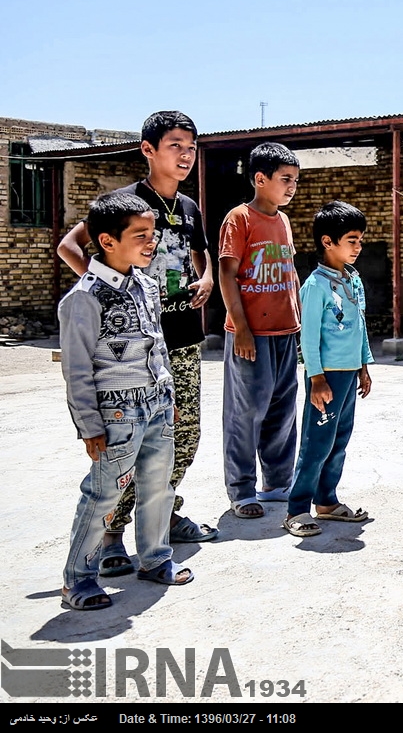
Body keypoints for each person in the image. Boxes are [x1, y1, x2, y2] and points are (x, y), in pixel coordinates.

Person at [57, 111, 217, 579]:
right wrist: (111, 298)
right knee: (123, 454)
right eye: (175, 146)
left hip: (178, 340)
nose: (185, 155)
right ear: (148, 149)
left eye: (191, 147)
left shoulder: (188, 207)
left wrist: (205, 277)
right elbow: (72, 246)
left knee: (180, 439)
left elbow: (199, 251)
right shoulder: (126, 203)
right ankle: (110, 537)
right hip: (128, 355)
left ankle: (164, 519)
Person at [58, 193, 194, 610]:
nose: (151, 242)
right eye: (141, 235)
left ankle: (155, 558)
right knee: (103, 495)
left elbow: (158, 346)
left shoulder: (147, 285)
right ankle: (78, 579)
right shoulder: (84, 298)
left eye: (152, 234)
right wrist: (90, 426)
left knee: (158, 486)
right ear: (107, 240)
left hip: (156, 404)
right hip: (116, 416)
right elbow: (77, 371)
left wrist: (167, 393)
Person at [218, 142, 302, 519]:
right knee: (246, 412)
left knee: (283, 410)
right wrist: (241, 328)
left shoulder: (283, 220)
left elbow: (289, 273)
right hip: (252, 335)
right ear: (259, 178)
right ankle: (241, 489)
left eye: (296, 181)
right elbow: (227, 273)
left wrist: (300, 321)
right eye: (285, 179)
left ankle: (277, 483)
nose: (292, 187)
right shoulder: (239, 218)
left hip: (286, 333)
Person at [283, 202, 373, 537]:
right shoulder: (315, 286)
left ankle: (327, 501)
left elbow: (360, 326)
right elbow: (307, 339)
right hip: (327, 376)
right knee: (317, 441)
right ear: (327, 242)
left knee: (339, 438)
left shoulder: (353, 280)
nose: (358, 246)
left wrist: (364, 366)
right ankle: (296, 509)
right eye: (352, 239)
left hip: (350, 374)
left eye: (360, 239)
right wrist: (316, 378)